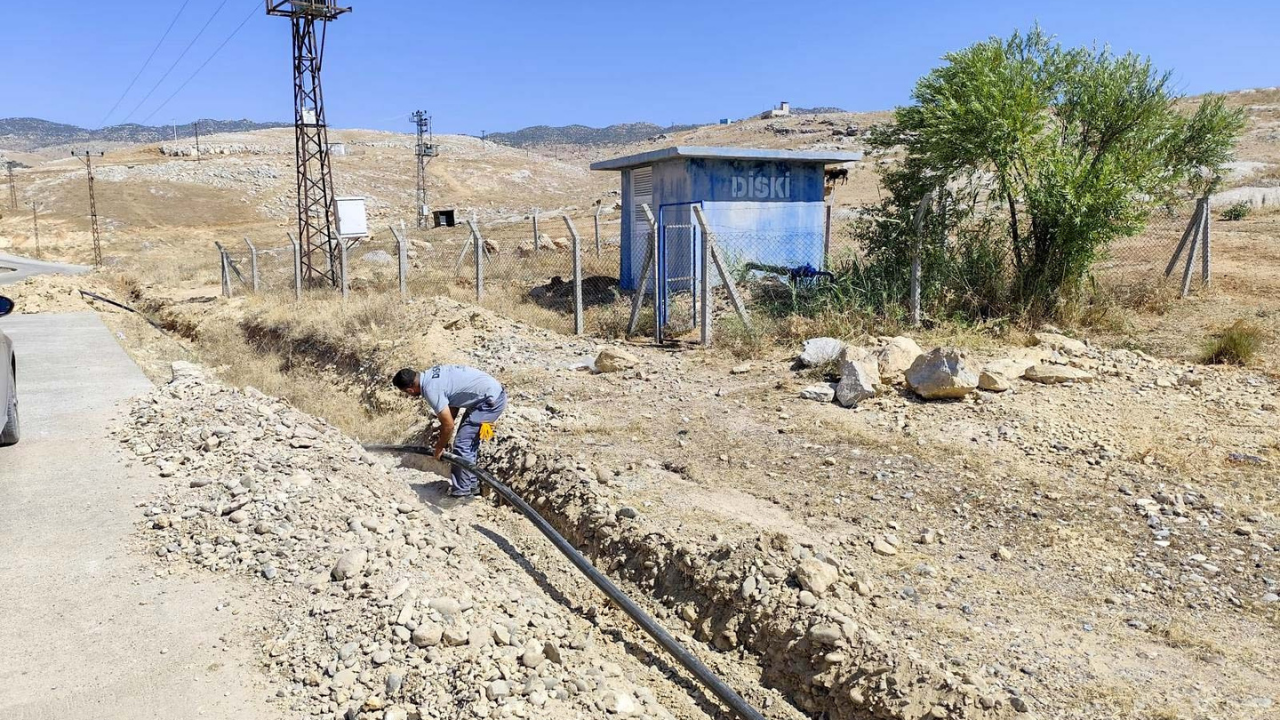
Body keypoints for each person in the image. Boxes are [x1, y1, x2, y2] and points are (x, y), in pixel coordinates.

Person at [393, 365, 507, 498]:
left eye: (407, 393)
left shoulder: (431, 390)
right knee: (466, 441)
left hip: (489, 402)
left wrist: (440, 447)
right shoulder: (431, 375)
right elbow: (452, 402)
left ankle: (462, 493)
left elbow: (449, 426)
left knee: (462, 443)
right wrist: (444, 436)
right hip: (487, 394)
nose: (410, 395)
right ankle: (471, 485)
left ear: (410, 390)